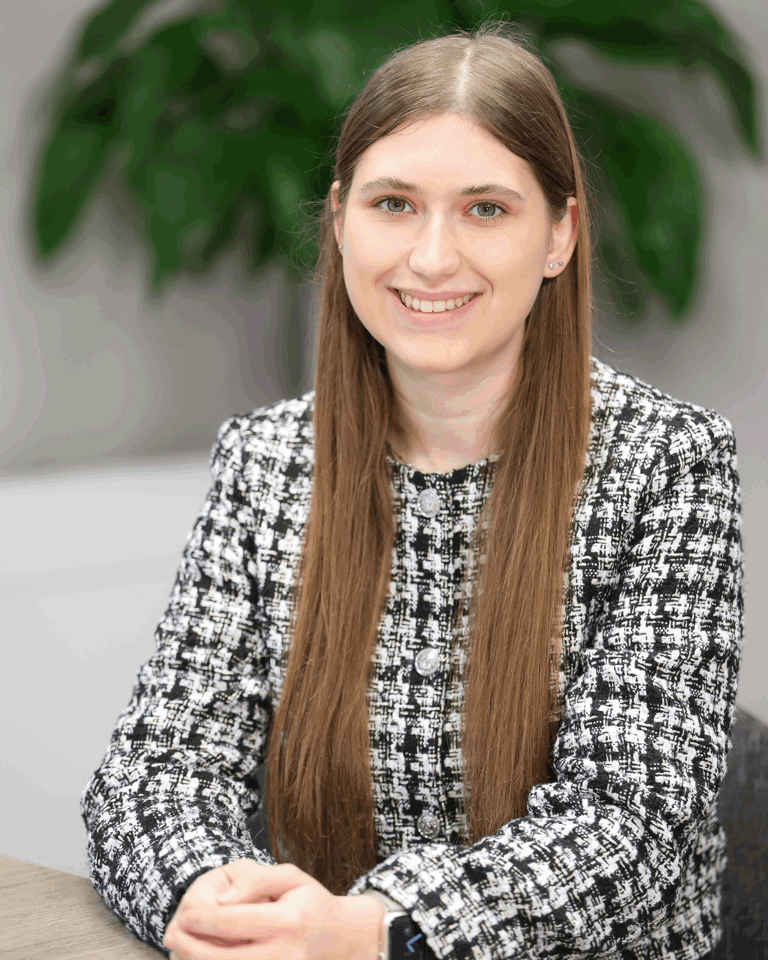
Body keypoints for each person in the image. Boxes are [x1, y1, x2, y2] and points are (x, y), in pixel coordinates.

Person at [81, 21, 742, 960]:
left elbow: (631, 828)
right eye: (394, 204)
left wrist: (378, 929)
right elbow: (156, 769)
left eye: (485, 210)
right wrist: (207, 894)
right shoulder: (268, 462)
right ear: (340, 218)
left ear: (560, 233)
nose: (431, 258)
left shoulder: (666, 463)